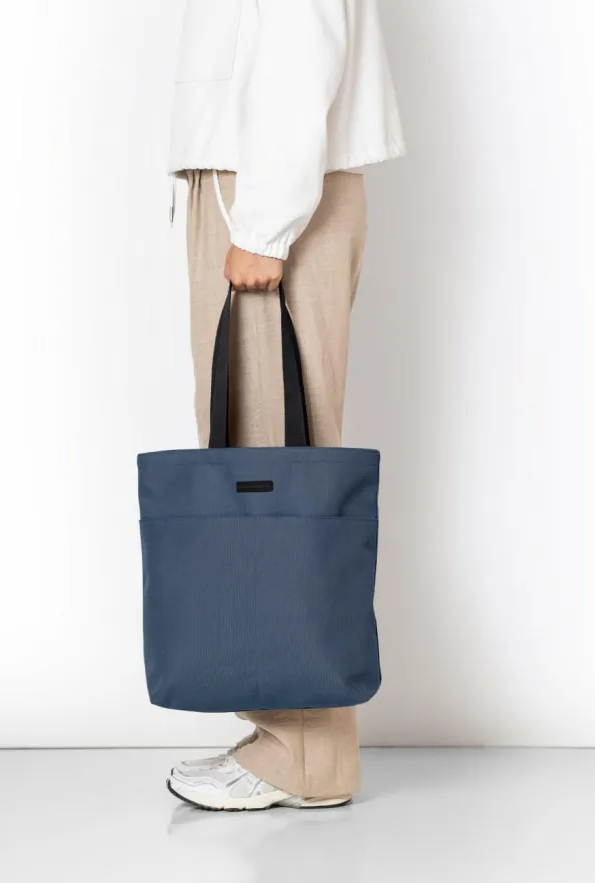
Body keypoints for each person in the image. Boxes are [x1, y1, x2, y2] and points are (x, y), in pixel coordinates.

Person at [165, 0, 405, 811]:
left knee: (272, 473)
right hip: (260, 184)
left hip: (269, 194)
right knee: (262, 464)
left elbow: (302, 48)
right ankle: (291, 735)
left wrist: (264, 229)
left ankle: (301, 752)